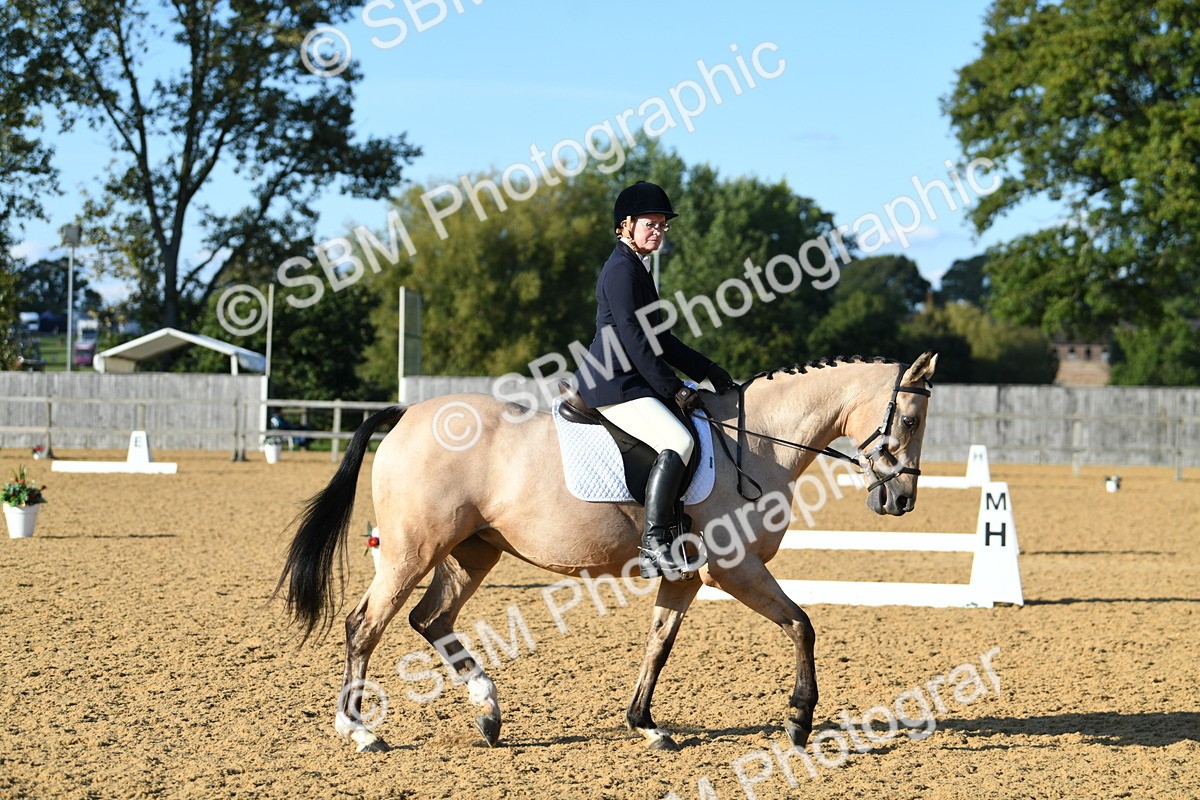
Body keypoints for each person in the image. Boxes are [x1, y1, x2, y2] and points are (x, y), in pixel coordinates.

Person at [574, 181, 736, 579]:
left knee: (690, 430)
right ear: (625, 226)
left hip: (632, 381)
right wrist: (672, 388)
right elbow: (634, 340)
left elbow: (660, 338)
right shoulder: (620, 271)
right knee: (677, 440)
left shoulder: (638, 269)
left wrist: (707, 370)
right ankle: (654, 545)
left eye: (663, 225)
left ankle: (676, 530)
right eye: (651, 224)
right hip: (615, 384)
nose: (659, 231)